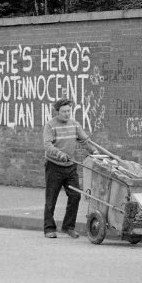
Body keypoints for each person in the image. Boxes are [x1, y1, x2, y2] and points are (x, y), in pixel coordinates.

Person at [42, 98, 98, 239]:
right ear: (58, 111)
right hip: (54, 166)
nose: (67, 114)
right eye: (64, 111)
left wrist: (94, 151)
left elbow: (85, 140)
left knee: (75, 195)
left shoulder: (74, 125)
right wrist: (59, 154)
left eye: (69, 111)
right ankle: (49, 229)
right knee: (51, 198)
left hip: (70, 166)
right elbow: (48, 145)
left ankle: (68, 227)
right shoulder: (50, 125)